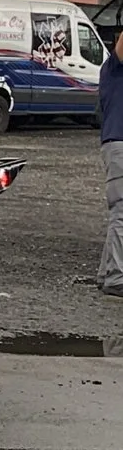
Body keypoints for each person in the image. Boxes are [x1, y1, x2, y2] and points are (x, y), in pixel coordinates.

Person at [104, 36, 123, 297]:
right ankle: (116, 277)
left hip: (116, 144)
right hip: (120, 143)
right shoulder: (115, 68)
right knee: (122, 212)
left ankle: (106, 273)